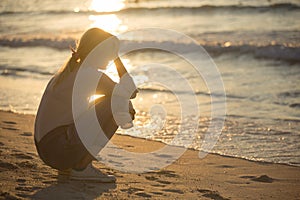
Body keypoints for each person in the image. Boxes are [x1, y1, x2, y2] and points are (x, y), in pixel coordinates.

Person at [34, 28, 137, 182]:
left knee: (112, 100)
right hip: (58, 148)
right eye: (110, 51)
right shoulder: (89, 75)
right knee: (123, 104)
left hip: (49, 149)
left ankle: (70, 167)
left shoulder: (71, 70)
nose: (110, 57)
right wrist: (117, 60)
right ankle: (81, 167)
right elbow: (131, 92)